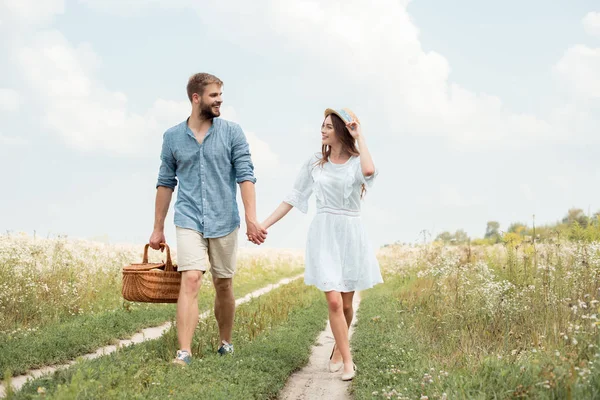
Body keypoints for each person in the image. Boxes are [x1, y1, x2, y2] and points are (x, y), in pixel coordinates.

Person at [149, 72, 267, 366]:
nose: (220, 101)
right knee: (190, 279)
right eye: (214, 96)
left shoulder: (232, 132)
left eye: (221, 95)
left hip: (224, 218)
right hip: (188, 217)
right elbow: (165, 183)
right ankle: (184, 352)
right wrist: (157, 228)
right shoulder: (173, 137)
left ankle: (225, 343)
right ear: (196, 98)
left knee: (223, 283)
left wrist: (251, 218)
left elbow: (246, 176)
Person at [261, 107, 383, 381]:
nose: (323, 130)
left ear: (341, 130)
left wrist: (359, 136)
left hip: (351, 234)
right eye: (323, 125)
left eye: (328, 126)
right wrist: (263, 224)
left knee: (348, 304)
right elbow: (293, 197)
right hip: (324, 234)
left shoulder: (355, 162)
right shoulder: (316, 163)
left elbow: (369, 170)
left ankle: (338, 351)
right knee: (334, 302)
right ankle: (349, 361)